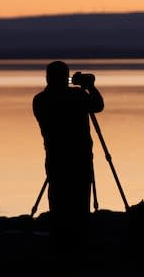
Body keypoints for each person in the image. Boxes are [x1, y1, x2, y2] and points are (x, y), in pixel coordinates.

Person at [33, 61, 104, 249]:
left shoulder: (39, 100)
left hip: (56, 156)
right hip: (79, 156)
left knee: (58, 199)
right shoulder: (78, 96)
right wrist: (90, 86)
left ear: (47, 77)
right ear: (66, 78)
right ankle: (79, 239)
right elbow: (98, 105)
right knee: (80, 200)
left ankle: (60, 238)